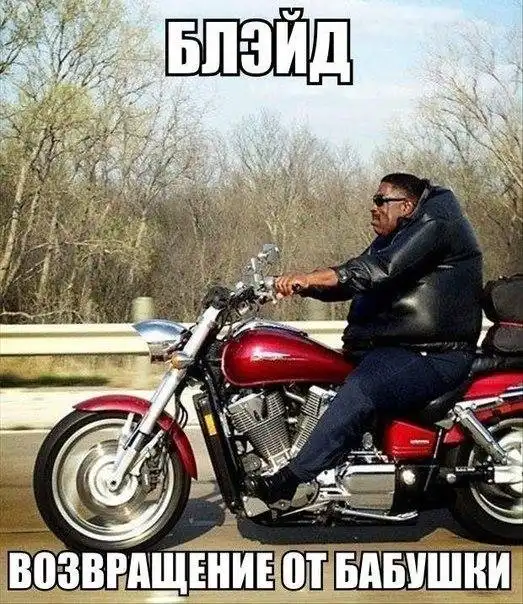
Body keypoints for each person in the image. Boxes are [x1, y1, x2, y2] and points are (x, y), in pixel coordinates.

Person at [248, 172, 484, 507]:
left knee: (363, 388)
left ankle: (292, 478)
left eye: (380, 200)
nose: (374, 208)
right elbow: (353, 277)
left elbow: (380, 269)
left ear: (406, 206)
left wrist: (310, 278)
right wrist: (303, 285)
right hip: (398, 347)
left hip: (433, 353)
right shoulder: (399, 233)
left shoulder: (434, 226)